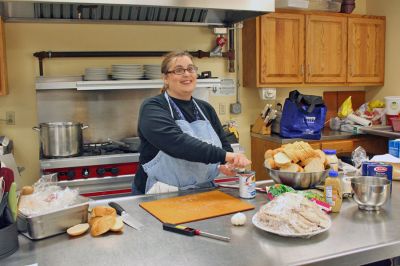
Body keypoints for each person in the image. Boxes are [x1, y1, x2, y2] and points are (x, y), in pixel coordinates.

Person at [134, 51, 251, 194]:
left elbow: (224, 143)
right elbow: (177, 143)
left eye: (191, 69)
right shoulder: (153, 107)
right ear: (165, 78)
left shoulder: (205, 108)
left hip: (204, 190)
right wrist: (225, 156)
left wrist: (226, 164)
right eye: (179, 70)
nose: (187, 74)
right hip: (162, 191)